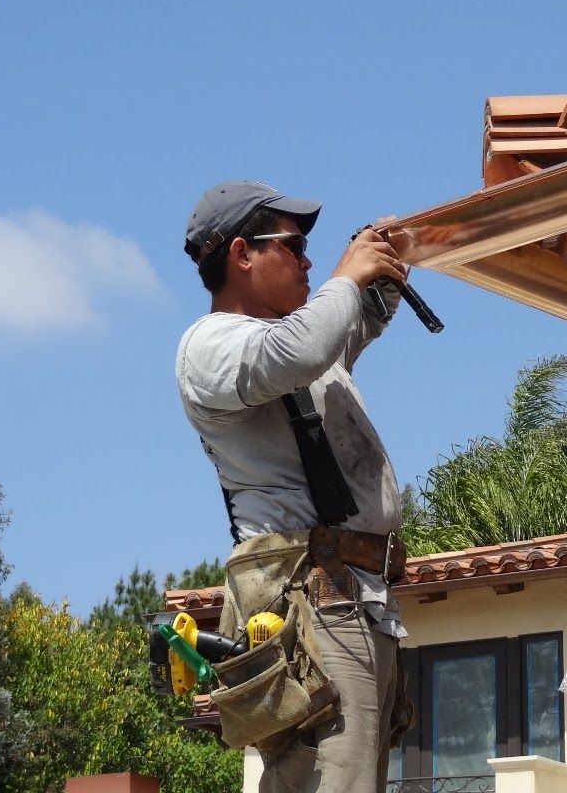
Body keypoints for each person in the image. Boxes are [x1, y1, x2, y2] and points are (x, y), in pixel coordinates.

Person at [176, 179, 410, 793]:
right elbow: (307, 345)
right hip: (311, 601)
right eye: (294, 244)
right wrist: (347, 273)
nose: (308, 259)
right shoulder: (212, 345)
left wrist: (383, 262)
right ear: (241, 254)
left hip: (354, 599)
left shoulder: (293, 339)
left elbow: (344, 327)